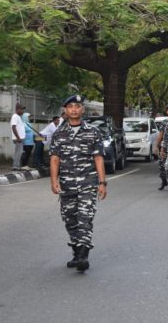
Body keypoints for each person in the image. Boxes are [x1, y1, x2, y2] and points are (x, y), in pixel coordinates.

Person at [49, 95, 107, 272]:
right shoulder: (58, 133)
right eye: (70, 106)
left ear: (83, 109)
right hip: (67, 184)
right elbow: (54, 159)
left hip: (88, 183)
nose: (74, 109)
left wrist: (102, 183)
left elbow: (98, 158)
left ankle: (83, 256)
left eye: (77, 106)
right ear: (65, 110)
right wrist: (53, 181)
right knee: (70, 219)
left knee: (85, 217)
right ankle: (76, 252)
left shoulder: (93, 132)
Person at [154, 104, 168, 190]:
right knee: (162, 165)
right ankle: (164, 181)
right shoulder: (164, 122)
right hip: (165, 147)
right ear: (167, 112)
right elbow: (160, 135)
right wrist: (156, 146)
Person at [10, 103, 26, 171]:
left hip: (20, 138)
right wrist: (18, 137)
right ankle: (15, 166)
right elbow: (13, 127)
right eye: (22, 109)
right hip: (18, 138)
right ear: (18, 109)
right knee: (18, 152)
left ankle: (17, 166)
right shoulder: (15, 116)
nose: (23, 111)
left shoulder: (18, 117)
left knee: (20, 152)